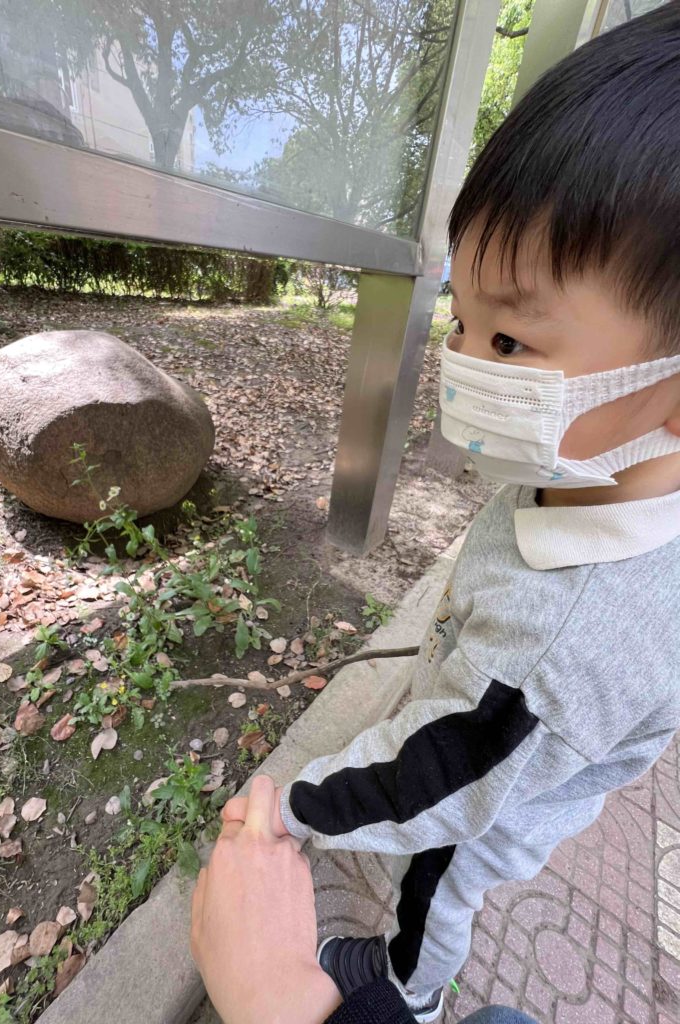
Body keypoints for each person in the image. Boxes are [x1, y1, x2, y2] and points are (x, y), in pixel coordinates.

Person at [222, 5, 680, 1021]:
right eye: (463, 323)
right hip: (506, 736)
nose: (463, 364)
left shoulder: (566, 640)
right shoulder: (604, 465)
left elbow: (448, 767)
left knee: (439, 887)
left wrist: (297, 806)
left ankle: (410, 994)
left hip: (490, 802)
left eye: (510, 342)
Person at [192, 775, 539, 1024]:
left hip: (476, 819)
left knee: (434, 901)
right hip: (498, 810)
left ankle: (411, 988)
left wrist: (295, 810)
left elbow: (447, 760)